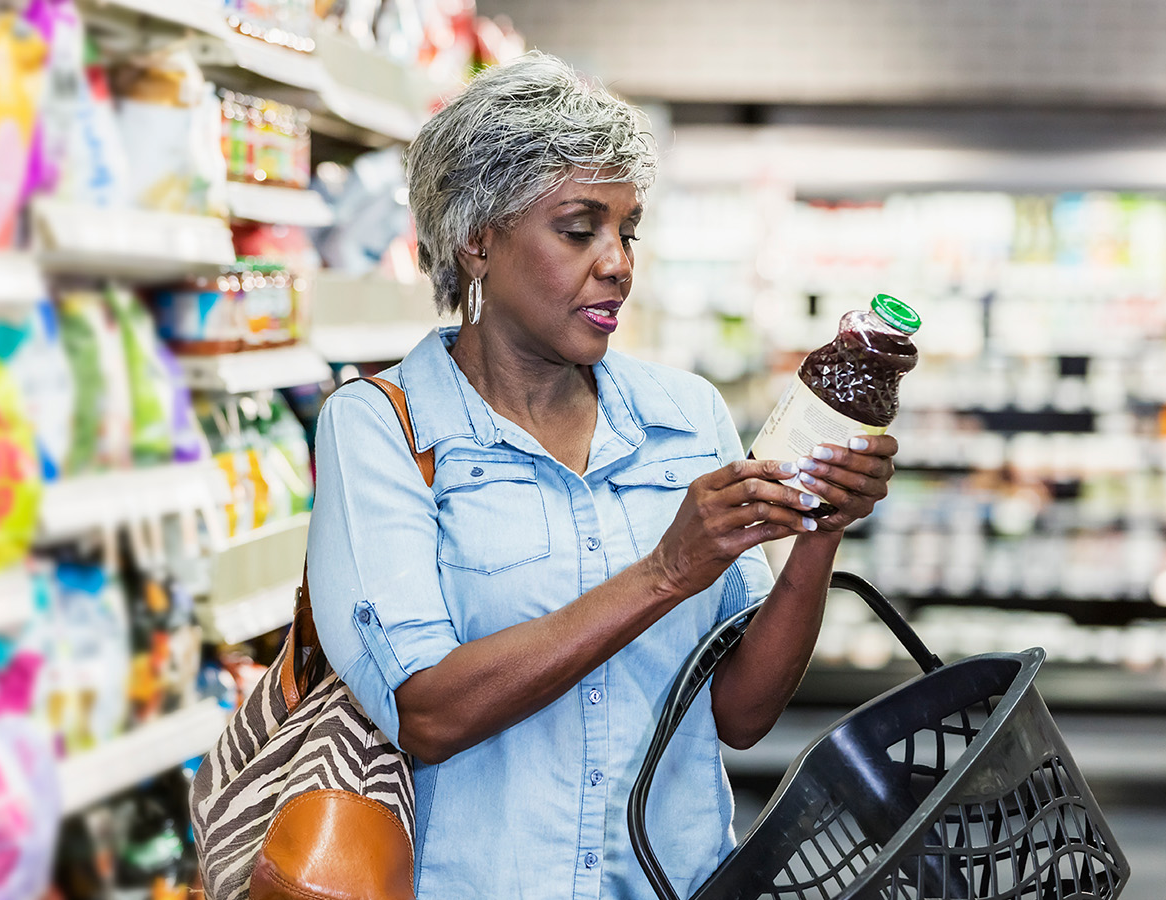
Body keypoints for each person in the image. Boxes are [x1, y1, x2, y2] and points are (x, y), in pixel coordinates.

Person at [305, 51, 898, 899]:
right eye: (580, 229)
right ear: (477, 240)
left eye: (628, 230)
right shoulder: (383, 429)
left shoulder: (684, 416)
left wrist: (818, 529)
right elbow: (428, 714)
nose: (617, 262)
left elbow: (741, 713)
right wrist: (665, 571)